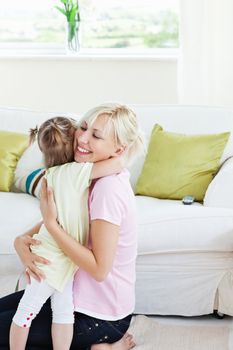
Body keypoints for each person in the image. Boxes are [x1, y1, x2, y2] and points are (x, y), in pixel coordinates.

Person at [0, 103, 144, 350]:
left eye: (96, 136)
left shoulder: (108, 190)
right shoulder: (86, 176)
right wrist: (21, 243)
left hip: (100, 316)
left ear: (118, 149)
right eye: (84, 128)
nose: (82, 139)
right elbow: (60, 219)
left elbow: (99, 269)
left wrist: (51, 226)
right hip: (68, 291)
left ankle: (106, 346)